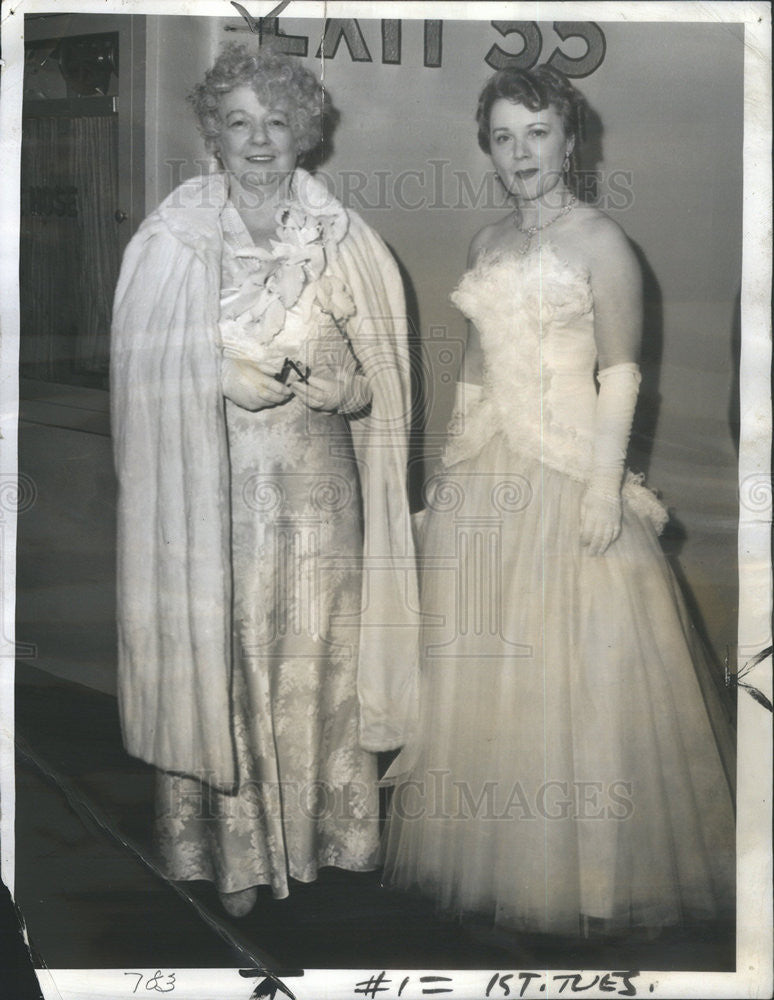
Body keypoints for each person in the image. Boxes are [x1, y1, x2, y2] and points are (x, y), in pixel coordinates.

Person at [381, 65, 735, 939]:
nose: (521, 152)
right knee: (486, 681)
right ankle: (496, 861)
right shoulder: (487, 242)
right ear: (489, 151)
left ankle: (592, 882)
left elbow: (622, 377)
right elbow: (473, 365)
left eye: (536, 133)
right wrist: (447, 474)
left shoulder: (603, 243)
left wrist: (605, 489)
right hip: (491, 479)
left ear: (571, 140)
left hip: (574, 475)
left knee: (576, 682)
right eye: (503, 138)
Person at [111, 42, 418, 917]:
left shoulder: (345, 238)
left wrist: (349, 390)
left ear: (304, 136)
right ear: (213, 131)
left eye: (276, 122)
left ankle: (325, 840)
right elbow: (136, 366)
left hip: (322, 502)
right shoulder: (173, 235)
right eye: (239, 122)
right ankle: (236, 857)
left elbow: (385, 382)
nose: (257, 141)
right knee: (232, 655)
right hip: (215, 502)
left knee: (316, 658)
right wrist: (207, 370)